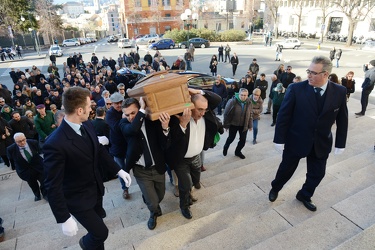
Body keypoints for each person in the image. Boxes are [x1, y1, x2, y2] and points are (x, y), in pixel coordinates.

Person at [43, 87, 131, 249]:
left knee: (98, 236)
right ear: (80, 110)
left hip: (96, 190)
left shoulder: (87, 124)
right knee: (100, 233)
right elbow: (52, 185)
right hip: (77, 199)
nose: (92, 109)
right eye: (89, 106)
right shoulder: (54, 144)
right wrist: (63, 217)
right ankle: (85, 244)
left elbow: (98, 150)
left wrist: (118, 170)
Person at [269, 56, 348, 212]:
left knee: (318, 174)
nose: (309, 75)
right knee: (285, 170)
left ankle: (304, 195)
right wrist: (279, 139)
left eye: (313, 73)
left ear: (325, 74)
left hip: (321, 142)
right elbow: (284, 116)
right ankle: (275, 187)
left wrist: (340, 143)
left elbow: (343, 119)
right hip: (296, 140)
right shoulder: (295, 89)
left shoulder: (340, 91)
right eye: (308, 71)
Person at [167, 89, 221, 219]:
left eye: (205, 109)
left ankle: (189, 194)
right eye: (199, 109)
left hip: (197, 157)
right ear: (190, 106)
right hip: (181, 160)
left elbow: (217, 99)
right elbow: (171, 141)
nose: (202, 113)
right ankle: (184, 206)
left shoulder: (206, 115)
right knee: (185, 184)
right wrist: (183, 125)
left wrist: (196, 91)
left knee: (195, 180)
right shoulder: (178, 118)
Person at [119, 97, 169, 230]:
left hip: (157, 167)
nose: (130, 117)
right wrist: (141, 110)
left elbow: (164, 144)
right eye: (127, 114)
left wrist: (165, 128)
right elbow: (133, 129)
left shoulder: (152, 122)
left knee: (161, 195)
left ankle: (149, 199)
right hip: (141, 171)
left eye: (133, 113)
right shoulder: (124, 125)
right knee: (153, 203)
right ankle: (153, 213)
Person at [7, 133, 46, 201]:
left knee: (44, 182)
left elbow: (40, 152)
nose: (22, 142)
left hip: (38, 167)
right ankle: (37, 195)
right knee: (32, 184)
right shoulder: (11, 149)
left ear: (25, 138)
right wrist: (16, 168)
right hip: (25, 170)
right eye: (19, 141)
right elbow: (11, 160)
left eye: (23, 140)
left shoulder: (33, 142)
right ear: (15, 141)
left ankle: (46, 195)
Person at [105, 92, 130, 199]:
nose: (119, 105)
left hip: (129, 143)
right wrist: (124, 118)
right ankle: (125, 188)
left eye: (120, 102)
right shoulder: (110, 114)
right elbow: (116, 127)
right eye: (116, 103)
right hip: (118, 145)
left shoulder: (126, 108)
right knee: (121, 169)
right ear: (112, 104)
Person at [223, 88, 253, 158]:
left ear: (247, 95)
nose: (243, 97)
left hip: (244, 124)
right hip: (234, 124)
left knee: (243, 141)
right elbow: (226, 114)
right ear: (239, 94)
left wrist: (250, 125)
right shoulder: (232, 101)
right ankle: (226, 146)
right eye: (242, 95)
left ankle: (238, 152)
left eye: (245, 95)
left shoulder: (249, 102)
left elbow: (250, 114)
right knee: (231, 138)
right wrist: (226, 125)